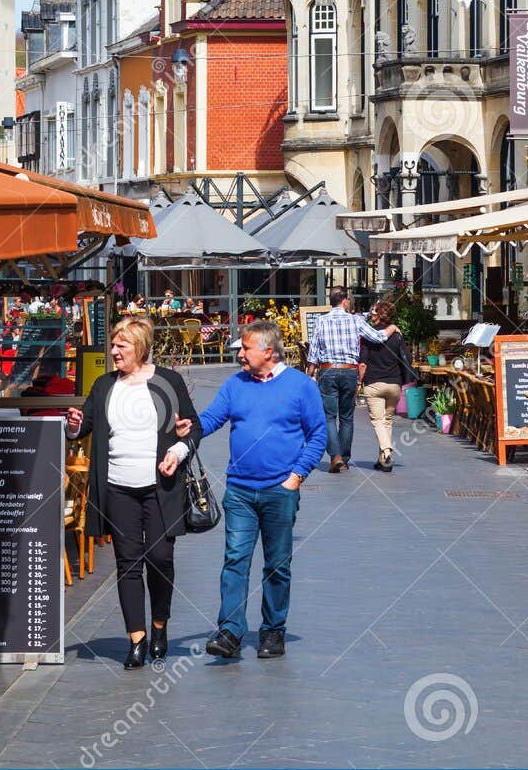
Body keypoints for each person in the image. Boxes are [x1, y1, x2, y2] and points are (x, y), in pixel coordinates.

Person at [178, 322, 324, 660]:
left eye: (245, 349)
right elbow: (212, 418)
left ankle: (273, 631)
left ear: (268, 352)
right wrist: (191, 427)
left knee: (277, 564)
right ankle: (230, 631)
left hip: (279, 490)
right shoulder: (236, 384)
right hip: (240, 490)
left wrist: (296, 477)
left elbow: (318, 435)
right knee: (235, 560)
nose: (239, 354)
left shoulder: (301, 386)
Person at [66, 317, 200, 669]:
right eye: (113, 345)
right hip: (118, 488)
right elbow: (83, 426)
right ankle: (136, 639)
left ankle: (159, 625)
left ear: (139, 347)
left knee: (160, 560)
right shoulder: (104, 385)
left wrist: (178, 448)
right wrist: (75, 425)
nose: (113, 352)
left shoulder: (168, 382)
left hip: (161, 489)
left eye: (120, 346)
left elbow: (192, 427)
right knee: (128, 563)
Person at [304, 286, 400, 473]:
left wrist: (310, 375)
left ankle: (336, 456)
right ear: (345, 300)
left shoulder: (320, 321)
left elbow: (313, 353)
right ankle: (345, 459)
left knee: (329, 417)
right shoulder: (355, 321)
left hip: (327, 370)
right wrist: (392, 328)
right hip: (349, 372)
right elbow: (378, 337)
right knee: (347, 417)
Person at [357, 300, 412, 472]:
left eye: (374, 313)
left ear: (380, 315)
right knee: (387, 420)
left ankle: (387, 452)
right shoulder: (397, 335)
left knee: (378, 421)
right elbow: (407, 358)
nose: (371, 316)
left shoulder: (369, 336)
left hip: (374, 384)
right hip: (394, 385)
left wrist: (359, 382)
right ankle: (382, 460)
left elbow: (363, 364)